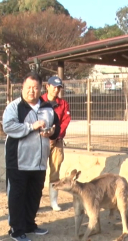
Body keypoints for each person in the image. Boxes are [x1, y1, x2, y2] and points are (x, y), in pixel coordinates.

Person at [2, 72, 59, 241]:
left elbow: (56, 126)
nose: (31, 91)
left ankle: (29, 225)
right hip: (19, 161)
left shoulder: (48, 107)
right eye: (28, 88)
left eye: (35, 88)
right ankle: (16, 229)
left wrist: (51, 132)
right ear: (22, 88)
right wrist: (31, 126)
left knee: (34, 195)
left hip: (39, 161)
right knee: (17, 196)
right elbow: (8, 127)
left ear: (41, 88)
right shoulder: (15, 107)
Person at [40, 75, 71, 211]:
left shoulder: (63, 104)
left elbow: (65, 121)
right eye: (54, 87)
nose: (56, 90)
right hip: (41, 140)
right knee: (38, 171)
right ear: (47, 86)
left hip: (56, 141)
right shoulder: (39, 101)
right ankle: (35, 201)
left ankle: (53, 201)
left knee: (55, 171)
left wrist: (57, 134)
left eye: (59, 87)